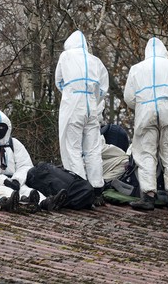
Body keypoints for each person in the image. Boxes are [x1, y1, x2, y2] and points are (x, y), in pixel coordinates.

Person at [124, 37, 168, 211]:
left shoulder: (136, 69)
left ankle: (148, 197)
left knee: (146, 152)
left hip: (145, 112)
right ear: (164, 51)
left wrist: (141, 105)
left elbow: (129, 98)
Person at [0, 109, 67, 211]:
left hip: (15, 181)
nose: (0, 130)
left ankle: (46, 202)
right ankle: (23, 202)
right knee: (4, 193)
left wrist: (17, 179)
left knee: (28, 190)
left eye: (3, 127)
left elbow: (25, 165)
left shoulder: (14, 143)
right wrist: (3, 180)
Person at [55, 30, 109, 207]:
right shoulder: (95, 60)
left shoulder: (66, 56)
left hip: (74, 103)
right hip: (91, 104)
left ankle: (79, 188)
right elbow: (103, 88)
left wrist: (70, 92)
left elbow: (59, 80)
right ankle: (97, 188)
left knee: (72, 148)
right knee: (93, 149)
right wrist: (92, 98)